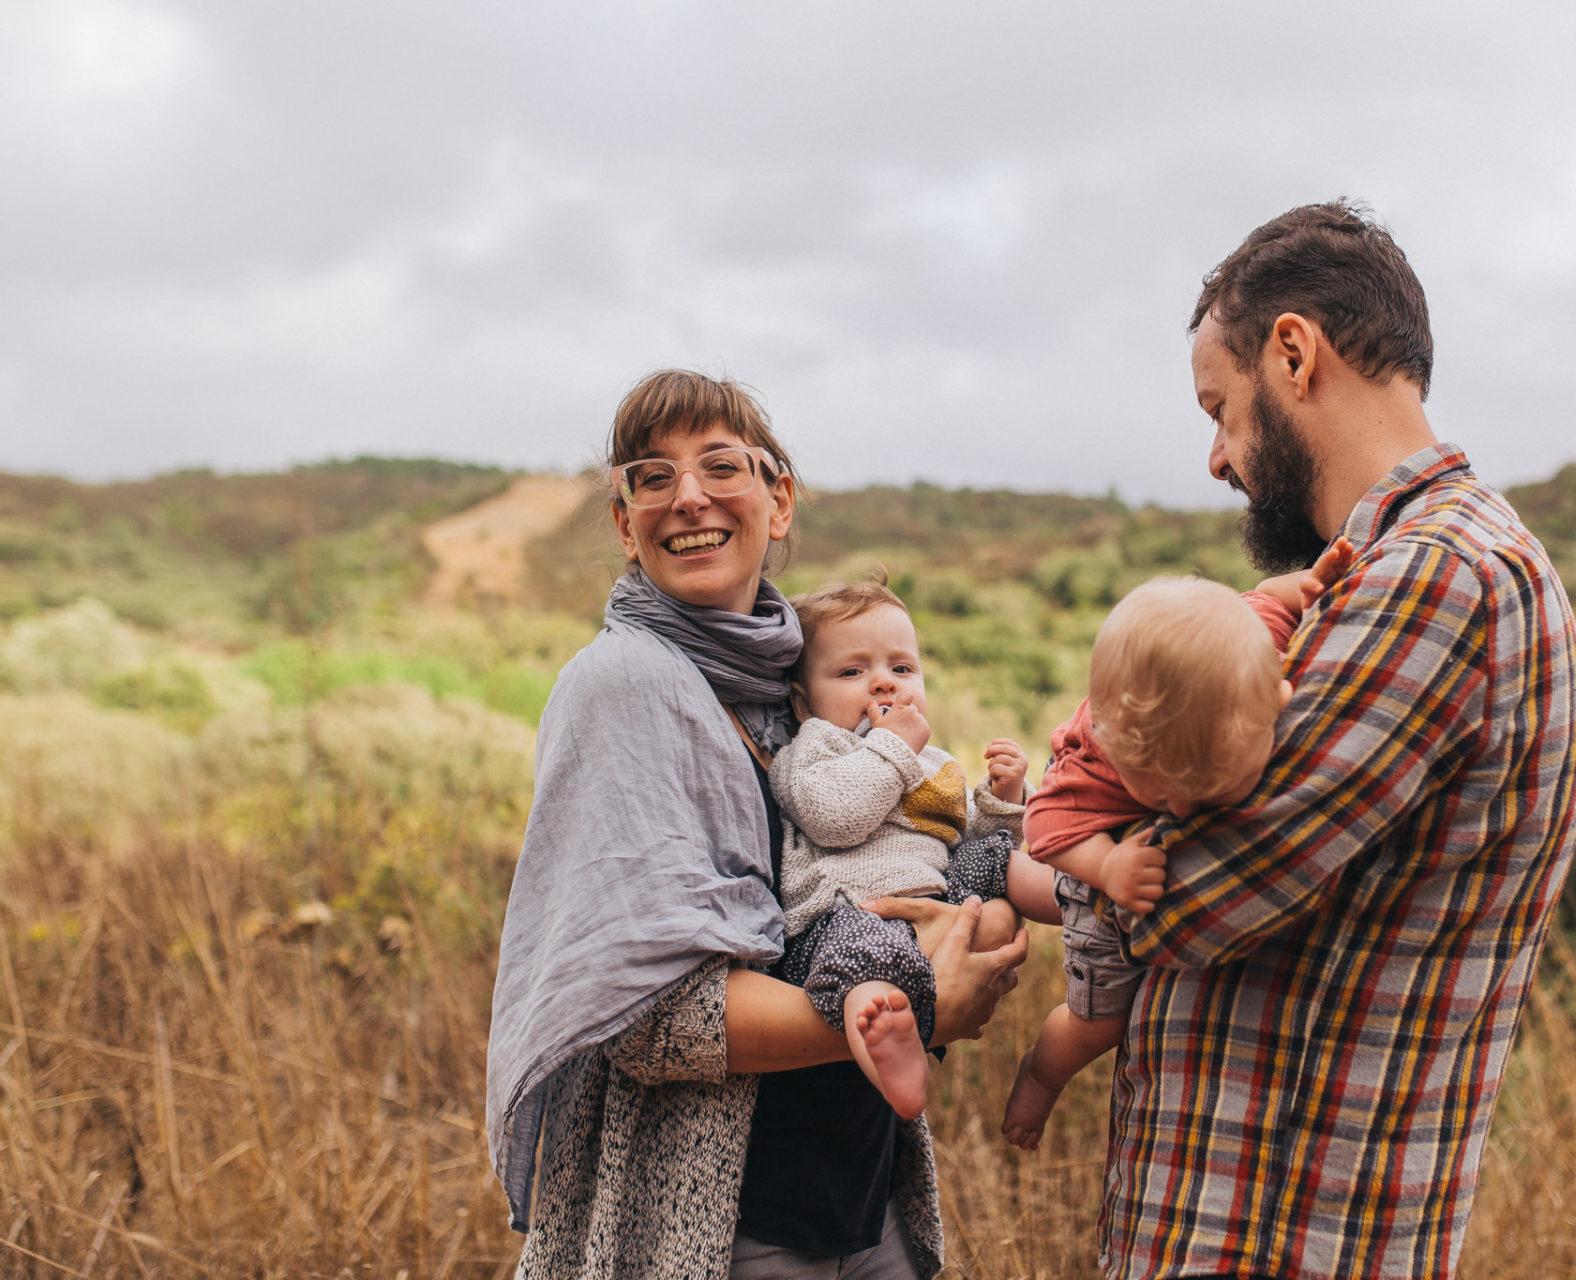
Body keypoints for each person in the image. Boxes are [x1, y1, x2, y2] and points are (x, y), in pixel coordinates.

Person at [1097, 201, 1576, 1280]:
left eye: (1220, 407)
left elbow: (1194, 894)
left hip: (1285, 1236)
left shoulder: (1441, 574)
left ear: (1292, 352)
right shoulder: (1378, 576)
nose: (1220, 456)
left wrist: (1052, 855)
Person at [485, 370, 1028, 1280]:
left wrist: (972, 925)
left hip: (858, 1203)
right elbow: (654, 1018)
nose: (687, 494)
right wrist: (920, 999)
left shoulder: (797, 691)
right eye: (651, 476)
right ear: (626, 524)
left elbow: (895, 864)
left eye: (720, 465)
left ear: (778, 501)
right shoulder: (624, 689)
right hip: (714, 1232)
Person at [1000, 550, 1351, 1150]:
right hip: (1096, 846)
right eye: (1166, 794)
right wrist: (1107, 866)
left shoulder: (1249, 648)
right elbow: (1049, 828)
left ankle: (1001, 868)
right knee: (1099, 1022)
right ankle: (1041, 1072)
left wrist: (1316, 586)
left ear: (1277, 697)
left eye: (1205, 794)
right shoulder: (1102, 766)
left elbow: (1271, 592)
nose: (1183, 814)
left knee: (1044, 897)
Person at [771, 577, 1030, 1120]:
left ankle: (1076, 896)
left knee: (1002, 860)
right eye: (852, 672)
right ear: (803, 702)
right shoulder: (814, 749)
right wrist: (893, 746)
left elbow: (965, 842)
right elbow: (835, 818)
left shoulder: (931, 761)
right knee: (862, 963)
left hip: (939, 900)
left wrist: (1003, 801)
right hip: (847, 913)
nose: (883, 685)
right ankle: (887, 1036)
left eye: (902, 669)